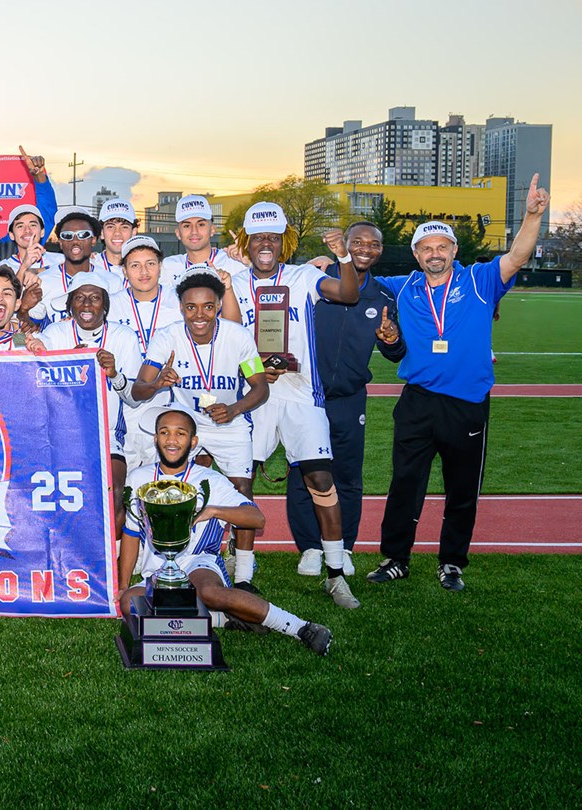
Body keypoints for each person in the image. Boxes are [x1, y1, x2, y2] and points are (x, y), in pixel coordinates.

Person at [367, 174, 549, 591]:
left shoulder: (480, 280)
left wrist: (532, 216)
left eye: (442, 247)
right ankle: (396, 558)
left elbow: (517, 256)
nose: (435, 254)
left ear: (454, 251)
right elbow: (357, 281)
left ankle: (451, 562)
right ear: (416, 254)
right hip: (417, 400)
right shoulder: (402, 287)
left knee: (462, 488)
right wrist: (328, 261)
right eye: (427, 248)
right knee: (404, 483)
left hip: (466, 402)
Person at [224, 203, 360, 607]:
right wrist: (257, 367)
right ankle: (243, 575)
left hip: (302, 394)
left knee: (320, 478)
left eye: (273, 236)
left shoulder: (303, 276)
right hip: (254, 394)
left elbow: (349, 294)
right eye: (258, 237)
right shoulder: (232, 281)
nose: (265, 244)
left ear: (284, 242)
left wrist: (343, 257)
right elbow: (230, 337)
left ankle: (335, 575)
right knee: (242, 483)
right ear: (246, 243)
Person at [117, 410, 333, 656]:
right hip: (158, 568)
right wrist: (124, 585)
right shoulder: (139, 478)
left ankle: (302, 628)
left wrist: (213, 510)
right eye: (164, 433)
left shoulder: (210, 480)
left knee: (206, 591)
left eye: (180, 433)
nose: (172, 440)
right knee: (128, 603)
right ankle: (224, 619)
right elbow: (131, 533)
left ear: (193, 442)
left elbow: (256, 518)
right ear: (155, 439)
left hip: (199, 561)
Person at [285, 222, 406, 576]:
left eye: (374, 243)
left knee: (348, 476)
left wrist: (391, 339)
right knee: (302, 472)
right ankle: (309, 547)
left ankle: (345, 546)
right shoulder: (315, 278)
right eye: (358, 242)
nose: (365, 248)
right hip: (307, 394)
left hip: (350, 398)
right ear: (347, 245)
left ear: (381, 250)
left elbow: (396, 353)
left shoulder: (383, 296)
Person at [132, 271, 270, 555]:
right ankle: (176, 552)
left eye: (208, 306)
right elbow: (138, 390)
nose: (200, 314)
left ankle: (243, 571)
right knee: (176, 487)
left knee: (242, 489)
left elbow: (260, 388)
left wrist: (234, 409)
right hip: (187, 422)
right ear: (181, 307)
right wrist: (158, 383)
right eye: (191, 307)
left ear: (219, 305)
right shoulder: (167, 336)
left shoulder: (238, 335)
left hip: (229, 422)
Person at [27, 270, 141, 518]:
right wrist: (46, 352)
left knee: (115, 495)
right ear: (70, 305)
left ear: (105, 305)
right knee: (57, 501)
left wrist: (114, 375)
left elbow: (134, 397)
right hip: (61, 434)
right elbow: (33, 373)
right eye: (79, 298)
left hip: (107, 434)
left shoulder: (123, 337)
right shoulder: (56, 333)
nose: (87, 304)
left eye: (95, 298)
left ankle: (116, 557)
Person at [108, 236, 183, 472]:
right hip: (123, 402)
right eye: (135, 265)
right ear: (124, 270)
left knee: (166, 481)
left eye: (150, 263)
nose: (144, 272)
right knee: (124, 482)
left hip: (168, 399)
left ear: (161, 266)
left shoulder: (180, 301)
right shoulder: (109, 305)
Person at [32, 206, 126, 326]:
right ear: (60, 242)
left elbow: (119, 326)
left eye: (83, 234)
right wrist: (23, 312)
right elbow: (22, 332)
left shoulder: (112, 281)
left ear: (93, 240)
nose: (75, 241)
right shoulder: (41, 281)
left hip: (101, 345)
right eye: (67, 235)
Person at [159, 194, 249, 291]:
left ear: (212, 230)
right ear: (178, 233)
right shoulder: (169, 266)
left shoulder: (234, 261)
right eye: (186, 226)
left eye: (201, 224)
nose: (194, 231)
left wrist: (250, 262)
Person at [93, 199, 140, 278]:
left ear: (133, 232)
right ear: (101, 233)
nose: (117, 233)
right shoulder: (90, 266)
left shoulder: (145, 268)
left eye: (124, 227)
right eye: (110, 227)